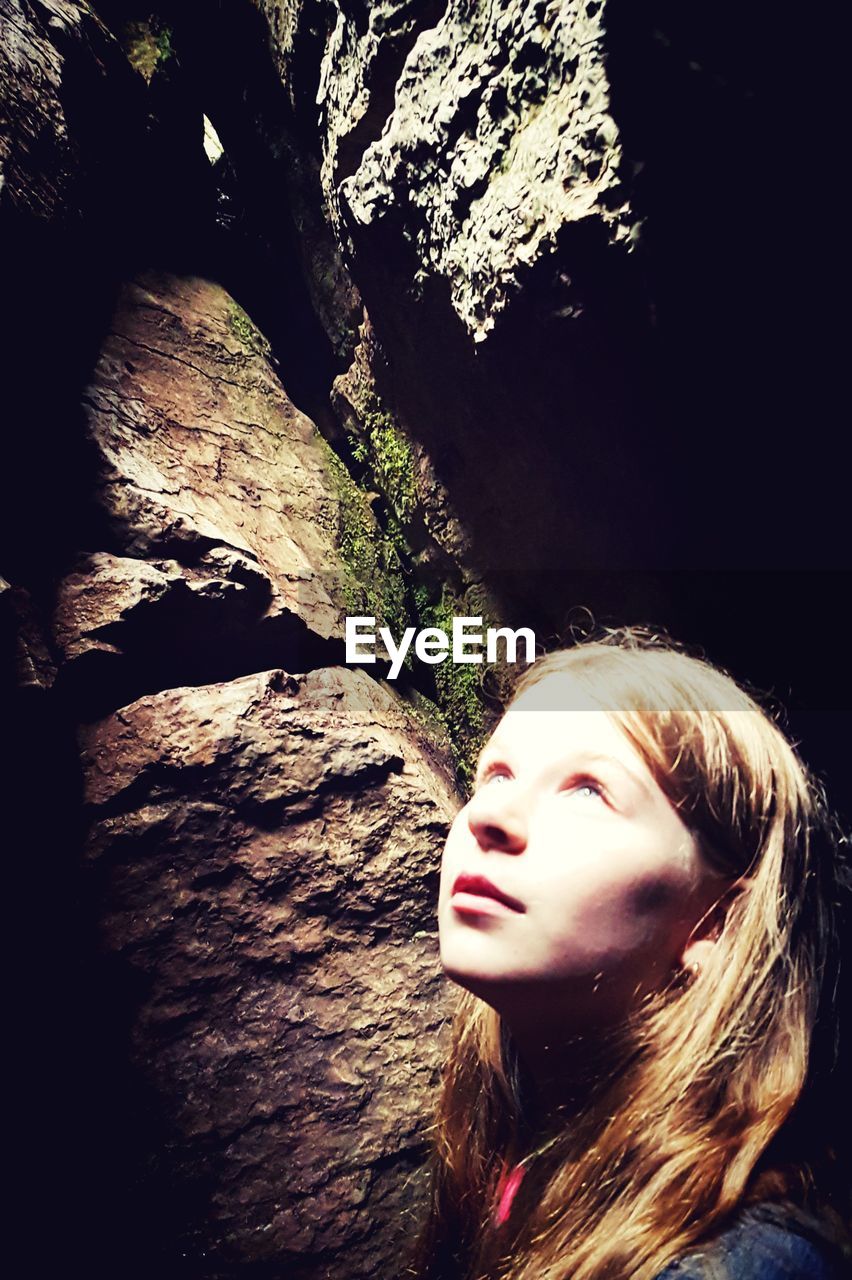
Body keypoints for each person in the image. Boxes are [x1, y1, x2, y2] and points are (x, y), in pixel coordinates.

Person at [408, 627, 852, 1280]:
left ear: (717, 922)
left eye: (589, 790)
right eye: (496, 773)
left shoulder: (741, 1265)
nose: (488, 816)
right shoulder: (514, 1140)